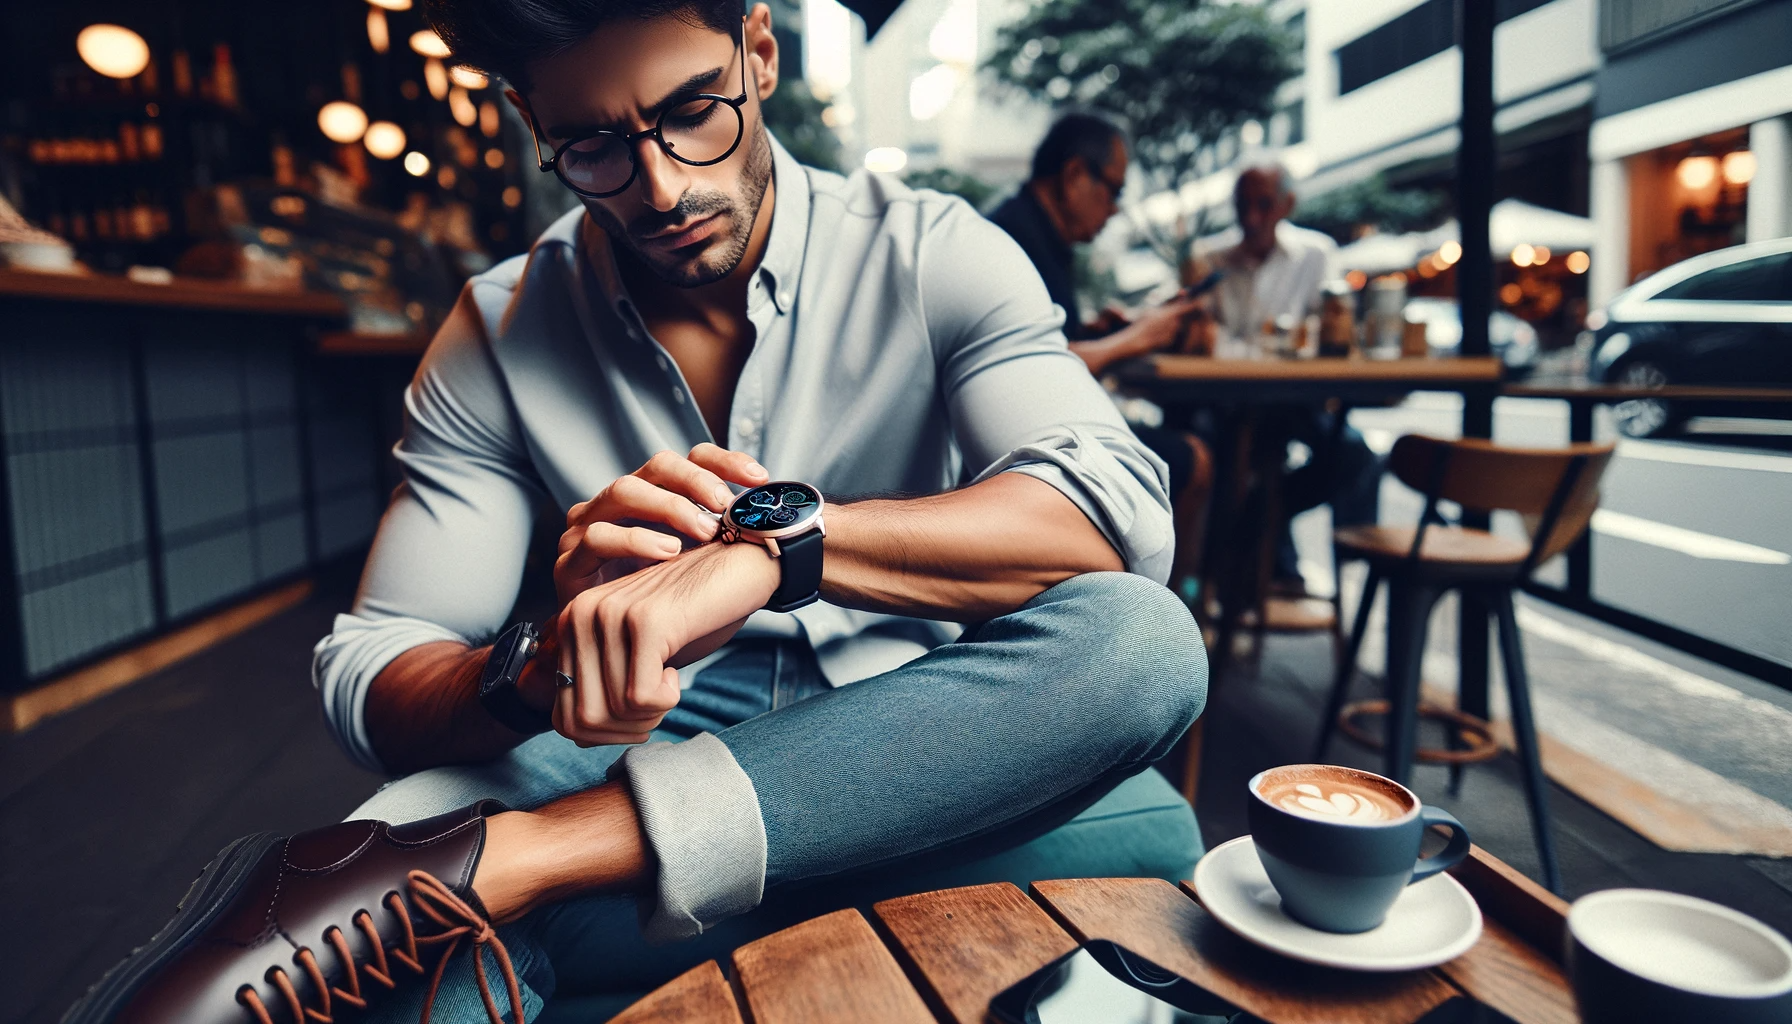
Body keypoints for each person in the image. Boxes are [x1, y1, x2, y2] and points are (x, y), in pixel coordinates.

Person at [65, 4, 1207, 1022]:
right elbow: (371, 669)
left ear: (756, 52)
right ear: (530, 120)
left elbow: (1109, 511)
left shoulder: (931, 249)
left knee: (1141, 641)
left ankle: (526, 867)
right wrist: (535, 662)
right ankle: (611, 885)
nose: (658, 188)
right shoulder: (496, 330)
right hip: (640, 729)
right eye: (594, 146)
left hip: (914, 718)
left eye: (690, 111)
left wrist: (781, 551)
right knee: (402, 915)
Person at [988, 113, 1214, 592]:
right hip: (1033, 445)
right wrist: (1138, 338)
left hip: (1038, 434)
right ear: (1074, 176)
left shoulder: (1034, 230)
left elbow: (1043, 337)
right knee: (1196, 460)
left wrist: (1099, 331)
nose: (1114, 209)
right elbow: (1038, 361)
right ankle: (1170, 606)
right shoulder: (1015, 238)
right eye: (1113, 190)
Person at [1205, 161, 1381, 595]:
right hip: (1227, 404)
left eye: (1263, 204)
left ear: (1288, 204)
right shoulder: (1211, 260)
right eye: (1242, 205)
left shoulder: (1315, 255)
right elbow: (1205, 339)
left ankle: (1256, 526)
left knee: (1356, 455)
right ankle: (1265, 561)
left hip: (1297, 400)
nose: (1251, 218)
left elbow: (1330, 334)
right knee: (1226, 452)